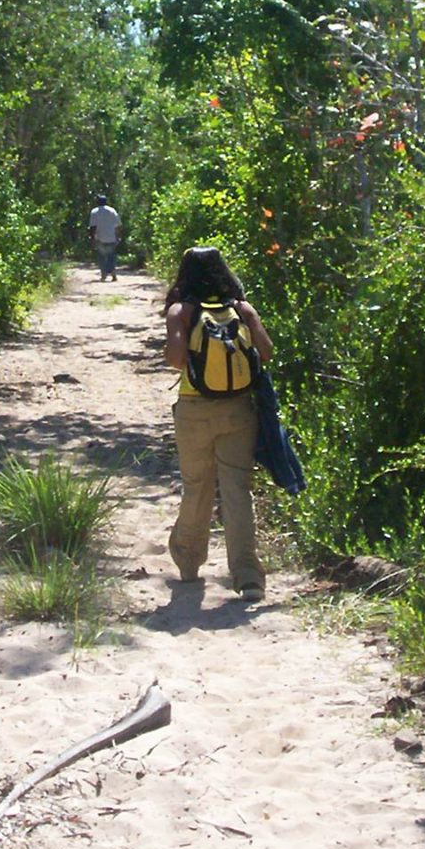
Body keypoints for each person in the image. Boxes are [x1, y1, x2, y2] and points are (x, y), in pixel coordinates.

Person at [162, 247, 274, 599]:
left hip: (194, 410)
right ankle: (247, 575)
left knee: (197, 485)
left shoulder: (181, 311)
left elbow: (176, 360)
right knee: (237, 489)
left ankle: (189, 561)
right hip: (238, 410)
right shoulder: (242, 309)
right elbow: (266, 351)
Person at [86, 195, 122, 281]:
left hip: (100, 238)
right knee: (111, 256)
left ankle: (103, 275)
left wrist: (92, 238)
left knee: (102, 257)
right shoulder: (112, 210)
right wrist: (118, 236)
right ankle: (113, 274)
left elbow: (93, 227)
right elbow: (118, 225)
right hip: (111, 237)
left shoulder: (94, 212)